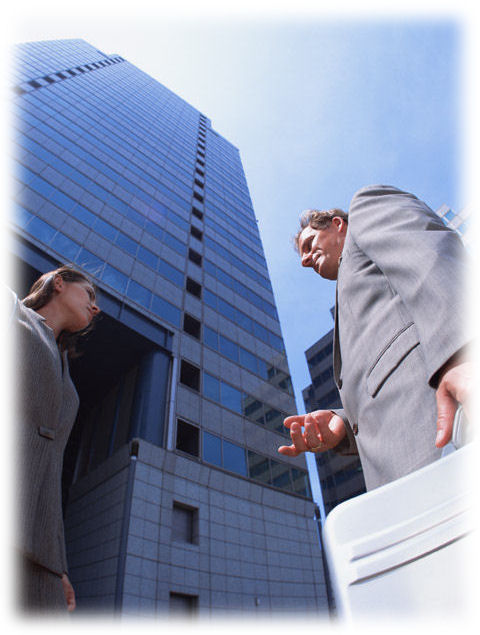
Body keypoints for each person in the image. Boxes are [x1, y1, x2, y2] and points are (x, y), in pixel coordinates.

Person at [278, 184, 471, 490]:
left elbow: (429, 254)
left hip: (455, 433)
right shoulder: (345, 304)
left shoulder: (365, 209)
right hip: (400, 480)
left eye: (310, 243)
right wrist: (343, 424)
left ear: (337, 225)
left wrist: (460, 352)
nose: (305, 260)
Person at [10, 265, 100, 612]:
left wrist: (59, 565)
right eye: (89, 294)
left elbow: (52, 463)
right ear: (58, 283)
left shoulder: (66, 370)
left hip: (39, 546)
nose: (95, 307)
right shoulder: (12, 312)